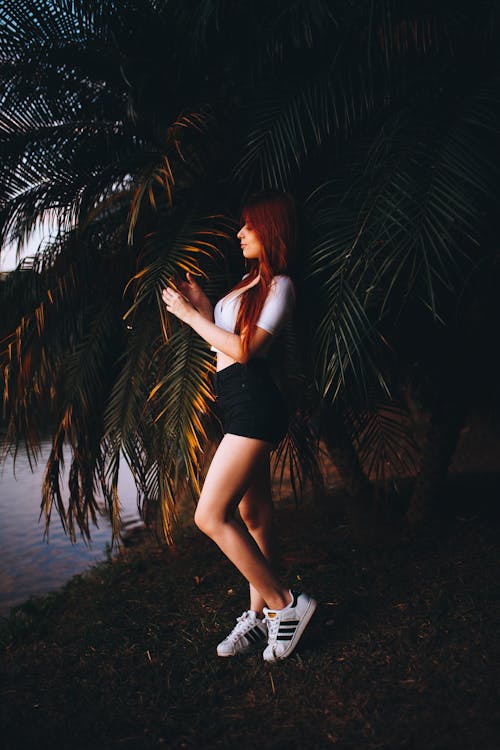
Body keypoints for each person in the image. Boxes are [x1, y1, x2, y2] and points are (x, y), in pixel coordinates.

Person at [161, 190, 316, 662]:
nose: (240, 233)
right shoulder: (248, 284)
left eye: (249, 226)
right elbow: (224, 344)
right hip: (236, 402)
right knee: (254, 518)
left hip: (254, 405)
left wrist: (189, 318)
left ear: (271, 229)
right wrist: (206, 308)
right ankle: (257, 619)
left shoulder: (282, 285)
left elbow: (247, 350)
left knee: (208, 516)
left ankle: (285, 605)